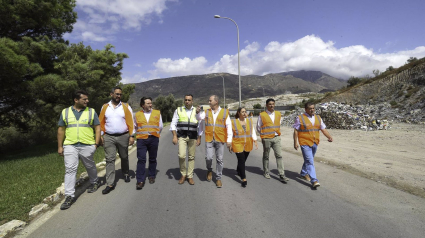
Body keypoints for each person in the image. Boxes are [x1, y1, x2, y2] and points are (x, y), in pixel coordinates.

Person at [57, 90, 100, 210]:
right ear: (76, 100)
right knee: (70, 169)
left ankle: (94, 181)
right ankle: (69, 196)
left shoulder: (91, 112)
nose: (87, 101)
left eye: (87, 99)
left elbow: (97, 128)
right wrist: (60, 146)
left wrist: (96, 144)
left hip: (87, 144)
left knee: (89, 165)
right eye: (84, 99)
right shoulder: (65, 112)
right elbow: (61, 129)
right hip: (70, 145)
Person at [98, 86, 135, 195]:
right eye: (117, 94)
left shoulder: (126, 106)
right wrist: (100, 135)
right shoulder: (105, 107)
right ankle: (110, 184)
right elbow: (101, 122)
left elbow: (131, 122)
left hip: (123, 136)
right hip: (109, 137)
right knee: (110, 159)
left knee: (124, 156)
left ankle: (126, 173)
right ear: (111, 94)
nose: (119, 96)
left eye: (120, 94)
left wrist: (132, 135)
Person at [293, 102, 333, 188]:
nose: (312, 110)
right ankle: (314, 180)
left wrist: (329, 137)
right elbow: (296, 131)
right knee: (310, 161)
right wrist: (295, 142)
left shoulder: (318, 118)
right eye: (310, 108)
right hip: (304, 142)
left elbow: (323, 129)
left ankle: (303, 173)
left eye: (313, 108)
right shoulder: (300, 118)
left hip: (315, 142)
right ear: (306, 109)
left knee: (309, 159)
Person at [196, 95, 232, 188]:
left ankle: (218, 178)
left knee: (219, 159)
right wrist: (197, 112)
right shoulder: (206, 112)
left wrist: (229, 140)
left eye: (210, 100)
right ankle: (209, 170)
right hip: (209, 139)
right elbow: (199, 118)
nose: (208, 102)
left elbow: (229, 127)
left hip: (220, 139)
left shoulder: (225, 112)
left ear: (216, 101)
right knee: (208, 158)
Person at [170, 94, 202, 185]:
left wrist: (199, 138)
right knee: (182, 155)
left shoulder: (197, 111)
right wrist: (174, 136)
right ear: (184, 101)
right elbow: (173, 124)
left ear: (192, 101)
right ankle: (183, 174)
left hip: (192, 136)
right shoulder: (179, 110)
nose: (187, 101)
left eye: (189, 100)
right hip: (182, 136)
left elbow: (200, 126)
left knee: (191, 157)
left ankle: (190, 176)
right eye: (186, 100)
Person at [257, 98, 289, 183]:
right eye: (270, 104)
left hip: (276, 138)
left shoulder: (278, 114)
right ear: (266, 105)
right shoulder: (262, 115)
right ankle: (266, 171)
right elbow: (258, 127)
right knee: (266, 156)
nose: (272, 105)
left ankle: (281, 174)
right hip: (266, 138)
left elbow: (278, 124)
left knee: (279, 155)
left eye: (273, 104)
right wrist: (264, 136)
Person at [134, 97, 163, 190]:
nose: (150, 105)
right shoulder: (137, 114)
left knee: (152, 158)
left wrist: (155, 134)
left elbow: (160, 126)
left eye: (151, 103)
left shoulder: (157, 113)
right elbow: (135, 127)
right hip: (141, 140)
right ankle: (140, 180)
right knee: (141, 159)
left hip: (153, 139)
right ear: (142, 105)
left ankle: (151, 176)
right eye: (148, 103)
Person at [230, 107, 258, 187]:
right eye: (242, 112)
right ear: (238, 113)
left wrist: (255, 140)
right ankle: (243, 178)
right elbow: (230, 134)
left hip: (248, 143)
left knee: (243, 159)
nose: (244, 113)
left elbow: (252, 131)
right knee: (241, 160)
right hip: (237, 143)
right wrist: (230, 144)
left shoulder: (249, 121)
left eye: (245, 111)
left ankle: (239, 170)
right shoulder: (234, 122)